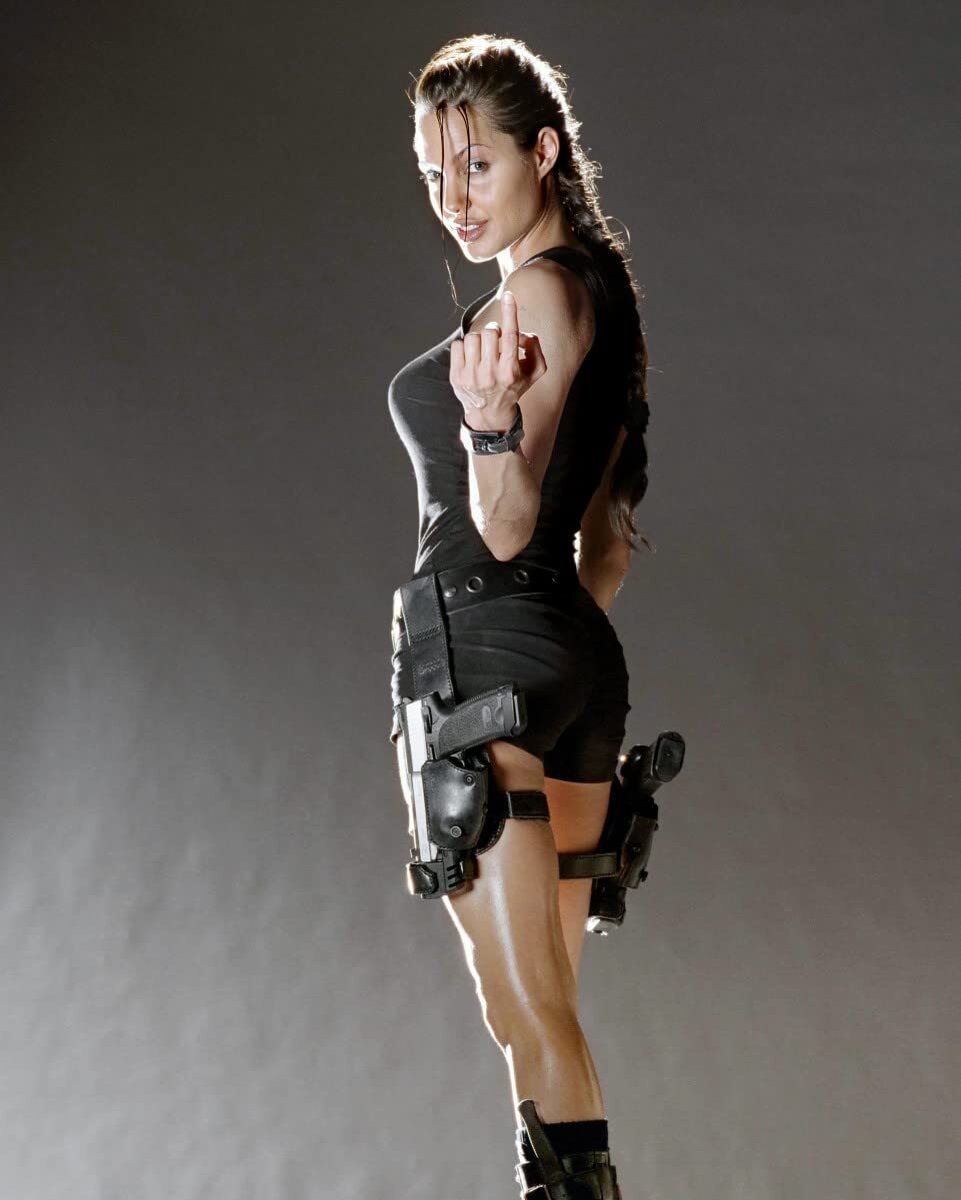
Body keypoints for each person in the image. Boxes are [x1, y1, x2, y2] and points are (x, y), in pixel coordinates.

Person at [387, 34, 654, 1200]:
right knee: (550, 1008)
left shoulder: (534, 297)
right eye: (432, 174)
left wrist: (490, 427)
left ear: (543, 152)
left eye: (475, 165)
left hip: (476, 649)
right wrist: (552, 643)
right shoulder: (598, 296)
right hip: (574, 661)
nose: (452, 199)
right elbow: (607, 547)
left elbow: (502, 529)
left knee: (525, 1014)